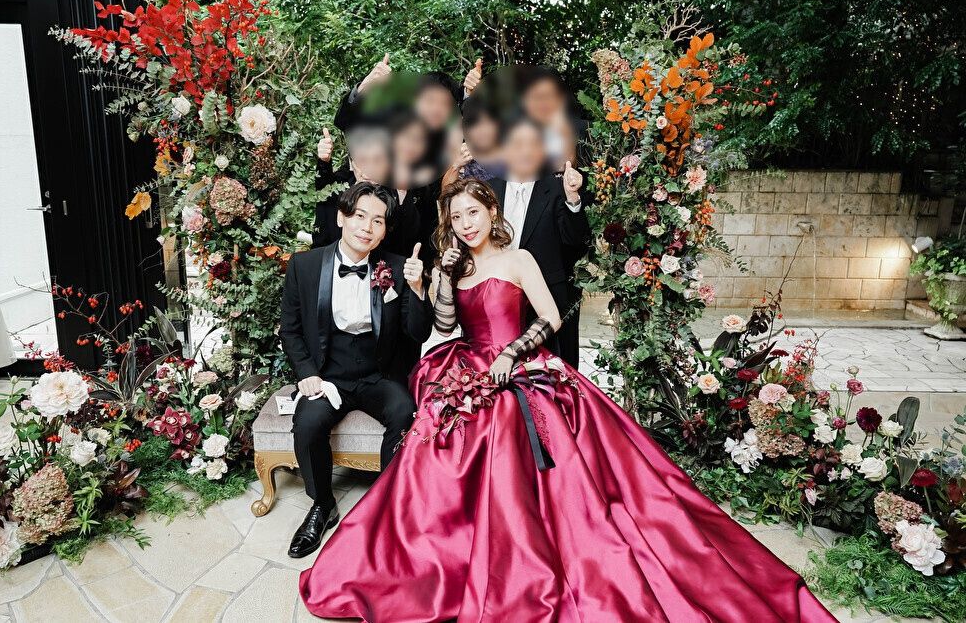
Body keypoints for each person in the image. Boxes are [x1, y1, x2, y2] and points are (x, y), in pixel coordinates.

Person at [297, 177, 838, 622]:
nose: (465, 224)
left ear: (490, 211)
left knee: (519, 431)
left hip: (522, 363)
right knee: (438, 429)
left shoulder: (519, 259)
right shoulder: (457, 265)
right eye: (456, 217)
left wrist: (513, 354)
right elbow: (443, 325)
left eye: (472, 213)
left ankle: (530, 545)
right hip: (469, 362)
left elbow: (551, 317)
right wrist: (441, 278)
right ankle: (433, 549)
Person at [279, 181, 433, 559]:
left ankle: (385, 503)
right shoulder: (305, 266)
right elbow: (291, 330)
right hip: (328, 374)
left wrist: (417, 288)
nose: (367, 227)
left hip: (377, 373)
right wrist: (306, 373)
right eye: (360, 216)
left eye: (377, 221)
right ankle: (322, 504)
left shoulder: (396, 267)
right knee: (308, 422)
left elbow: (418, 333)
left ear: (384, 230)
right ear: (341, 218)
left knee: (405, 412)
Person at [487, 116, 591, 366]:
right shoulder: (487, 190)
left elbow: (575, 240)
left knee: (553, 371)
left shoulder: (557, 188)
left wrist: (573, 199)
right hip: (497, 297)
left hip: (548, 298)